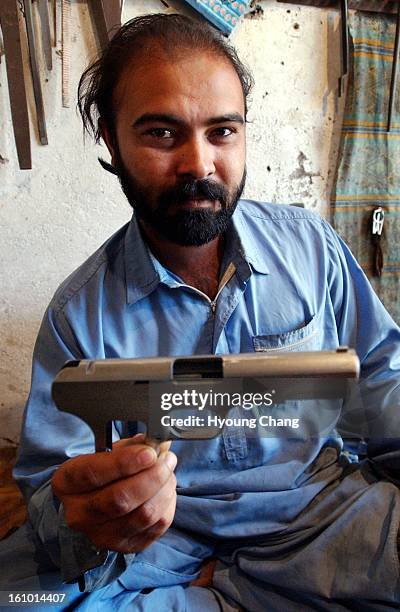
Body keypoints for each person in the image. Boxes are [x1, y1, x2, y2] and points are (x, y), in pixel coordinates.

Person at [1, 12, 399, 611]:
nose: (199, 164)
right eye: (161, 133)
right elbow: (55, 501)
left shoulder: (310, 249)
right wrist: (90, 516)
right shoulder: (78, 315)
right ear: (111, 142)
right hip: (161, 552)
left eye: (222, 132)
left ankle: (234, 589)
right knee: (21, 600)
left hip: (319, 517)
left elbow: (384, 374)